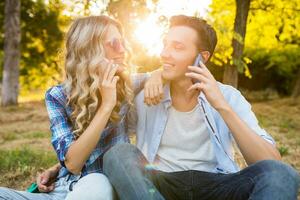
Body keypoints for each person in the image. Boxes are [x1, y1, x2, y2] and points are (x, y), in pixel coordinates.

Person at [103, 15, 300, 200]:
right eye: (165, 45)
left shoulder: (229, 97)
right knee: (118, 154)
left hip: (217, 186)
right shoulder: (148, 92)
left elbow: (271, 162)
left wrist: (221, 106)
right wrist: (155, 74)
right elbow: (117, 85)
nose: (164, 53)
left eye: (177, 47)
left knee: (281, 174)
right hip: (159, 186)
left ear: (202, 57)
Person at [0, 15, 163, 200]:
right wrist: (106, 106)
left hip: (99, 189)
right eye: (113, 43)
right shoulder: (57, 95)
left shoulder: (125, 84)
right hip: (64, 188)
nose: (122, 50)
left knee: (96, 183)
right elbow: (73, 164)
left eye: (123, 42)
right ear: (88, 51)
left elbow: (170, 69)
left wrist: (157, 75)